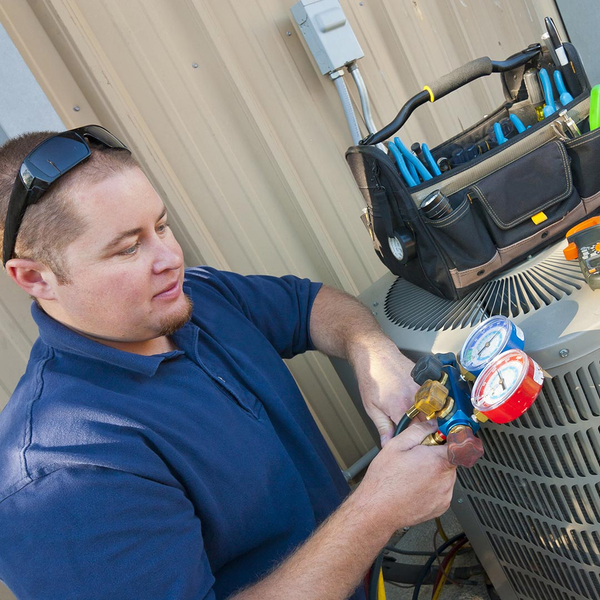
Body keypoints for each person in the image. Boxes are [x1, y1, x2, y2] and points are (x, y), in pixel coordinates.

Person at [0, 126, 457, 600]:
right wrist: (377, 511)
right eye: (128, 248)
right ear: (36, 277)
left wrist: (372, 353)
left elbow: (308, 305)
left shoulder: (196, 298)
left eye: (161, 225)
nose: (170, 258)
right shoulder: (60, 475)